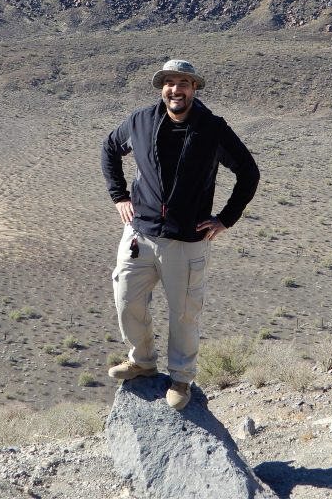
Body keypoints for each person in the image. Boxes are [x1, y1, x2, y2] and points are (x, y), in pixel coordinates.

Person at [100, 59, 260, 410]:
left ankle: (181, 379)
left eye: (183, 83)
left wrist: (225, 219)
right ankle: (142, 361)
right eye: (170, 82)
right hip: (139, 234)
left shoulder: (213, 129)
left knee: (185, 313)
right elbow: (109, 149)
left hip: (187, 241)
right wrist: (119, 196)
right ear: (162, 88)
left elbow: (248, 172)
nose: (176, 89)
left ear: (194, 88)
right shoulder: (140, 121)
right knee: (127, 300)